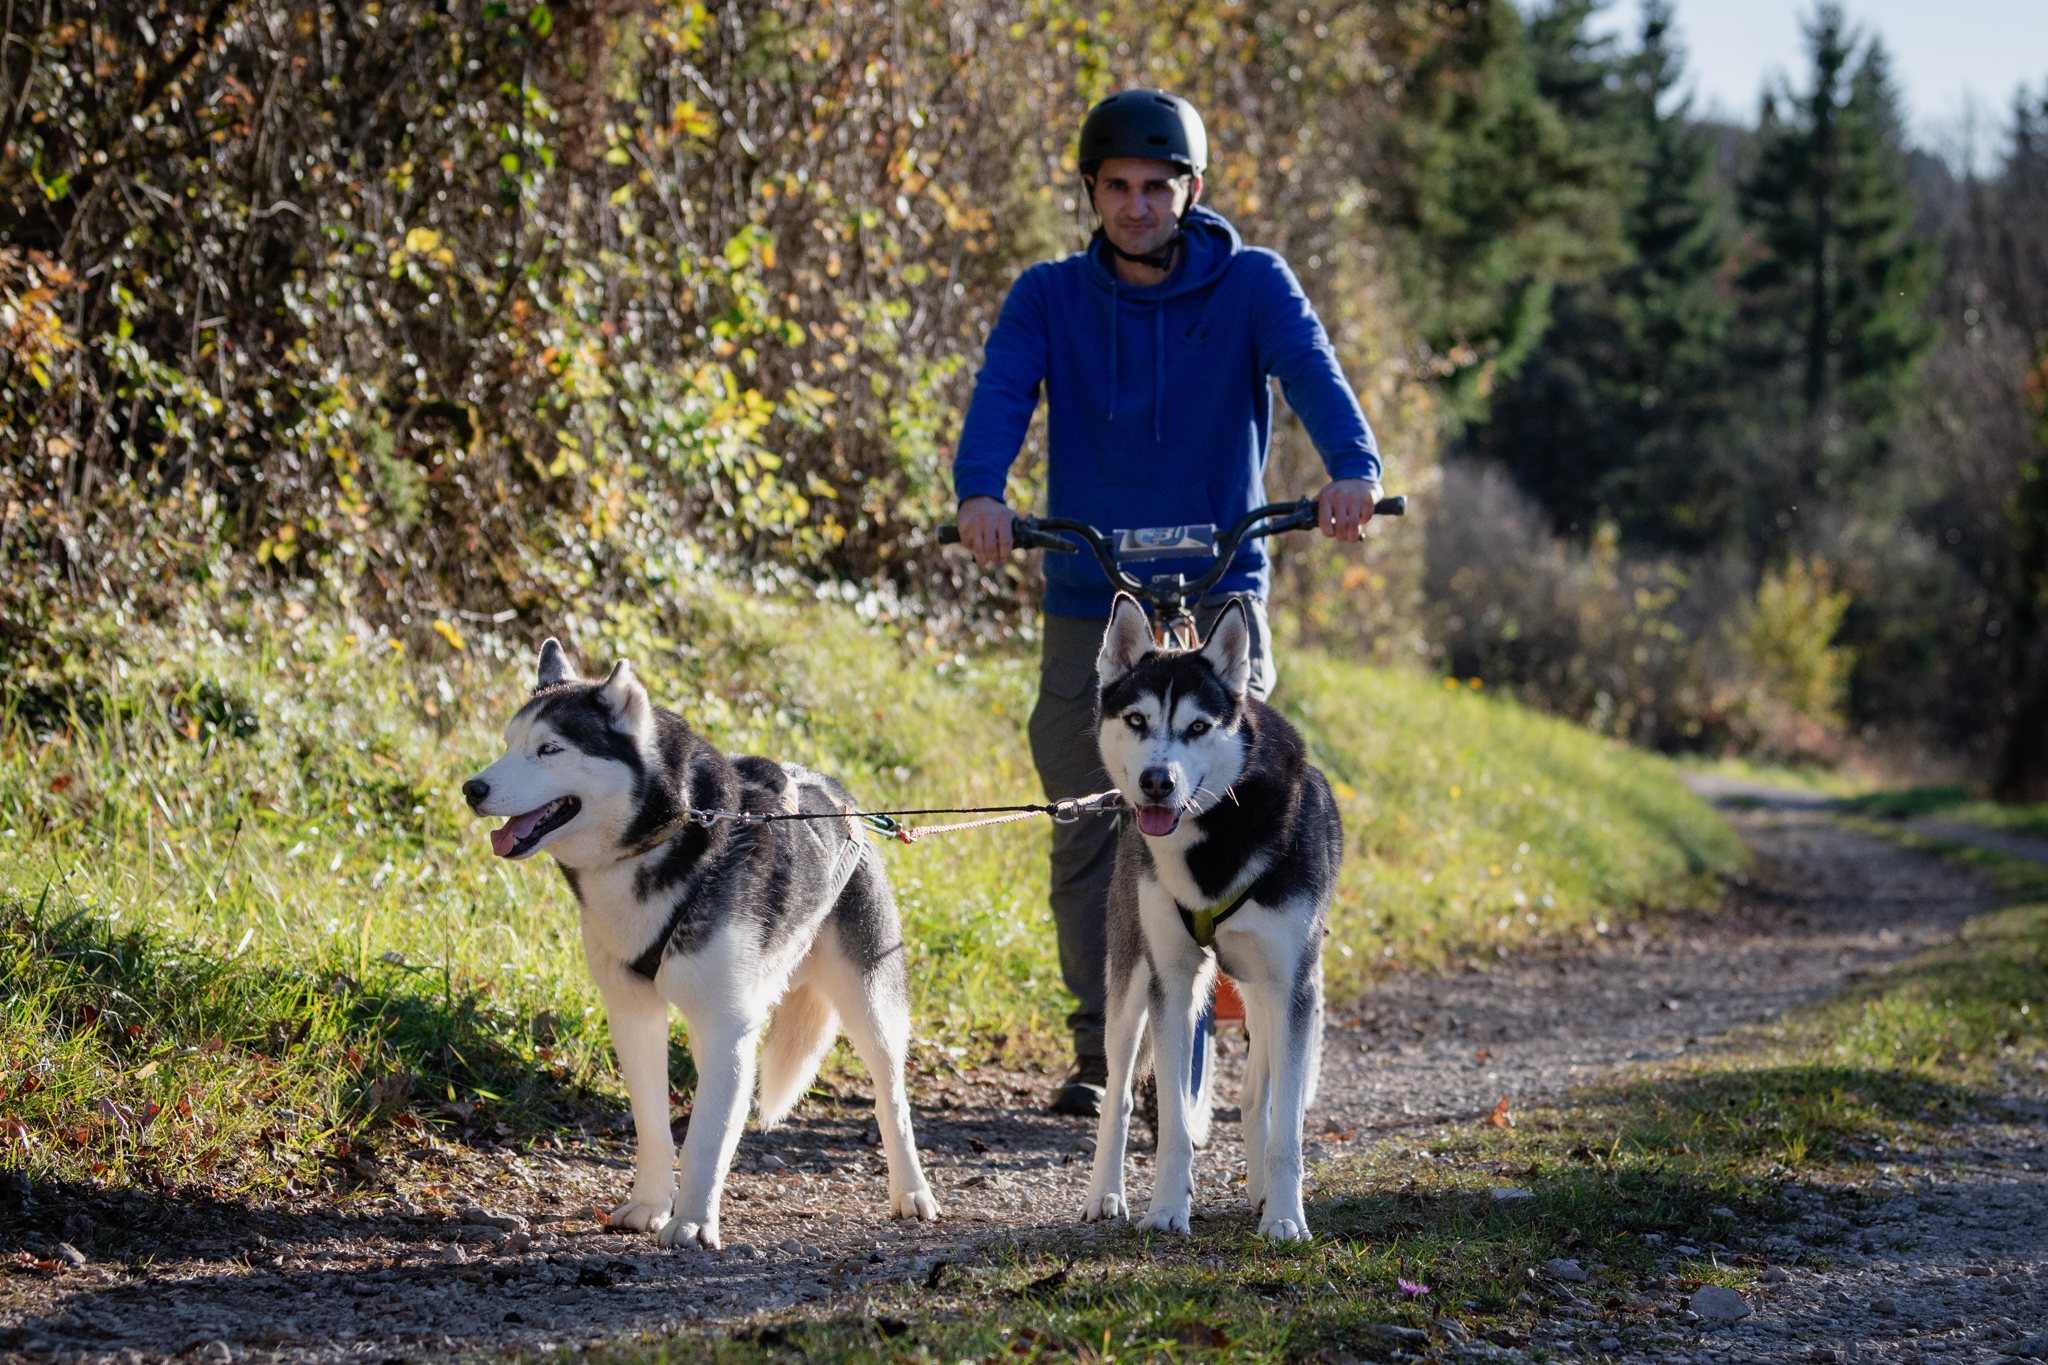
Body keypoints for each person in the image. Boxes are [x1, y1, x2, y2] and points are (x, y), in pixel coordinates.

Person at [951, 88, 1385, 1116]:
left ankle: (1219, 1007)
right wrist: (982, 493)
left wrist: (1350, 471)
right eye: (1117, 187)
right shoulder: (1049, 295)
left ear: (1191, 191)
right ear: (1091, 192)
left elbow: (1312, 375)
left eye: (1157, 186)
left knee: (1221, 807)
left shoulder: (1251, 286)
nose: (1137, 205)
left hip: (1217, 590)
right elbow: (1004, 388)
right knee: (1090, 820)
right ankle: (1105, 1047)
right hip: (1088, 601)